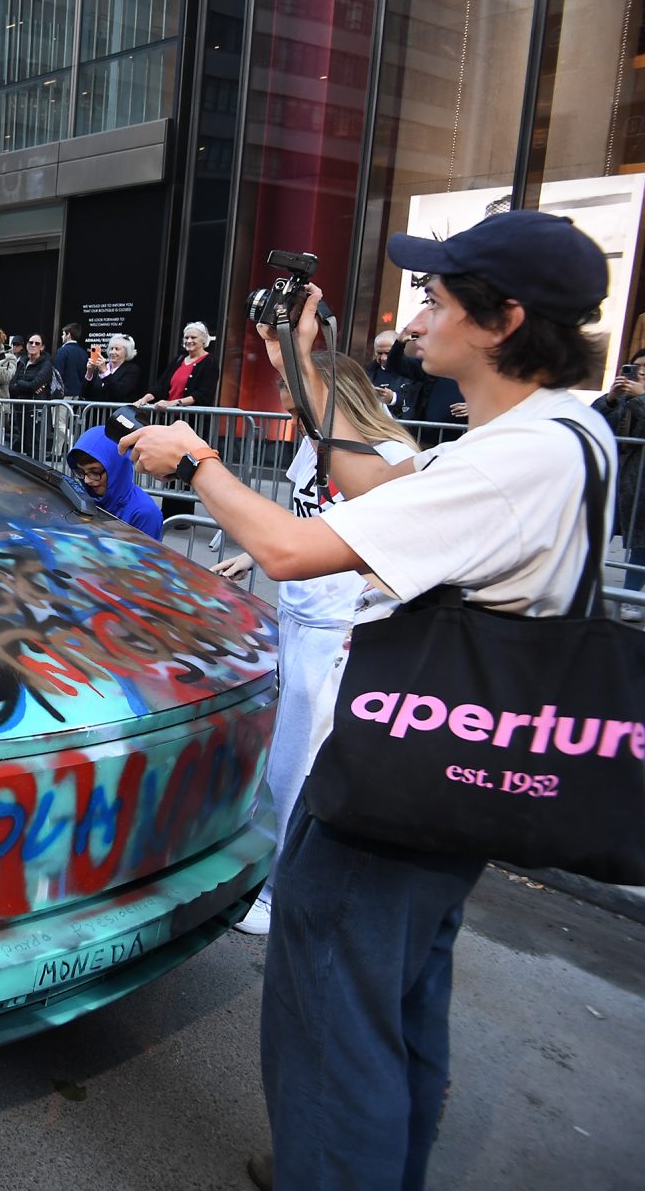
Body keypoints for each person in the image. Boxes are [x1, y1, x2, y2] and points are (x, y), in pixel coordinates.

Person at [120, 209, 616, 1191]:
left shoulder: (514, 461)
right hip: (455, 776)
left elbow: (289, 548)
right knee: (397, 997)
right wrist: (299, 363)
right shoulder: (563, 433)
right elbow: (379, 485)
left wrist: (197, 463)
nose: (415, 316)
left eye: (436, 298)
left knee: (332, 1015)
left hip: (400, 778)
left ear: (504, 320)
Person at [210, 352, 418, 937]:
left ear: (333, 393)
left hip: (339, 629)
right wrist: (252, 555)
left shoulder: (391, 458)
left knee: (298, 763)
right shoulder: (311, 445)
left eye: (292, 386)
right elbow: (306, 520)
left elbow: (399, 544)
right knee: (281, 752)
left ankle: (278, 890)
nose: (284, 398)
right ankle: (271, 876)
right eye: (282, 385)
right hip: (297, 613)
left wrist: (369, 614)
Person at [592, 350, 645, 620]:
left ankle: (631, 598)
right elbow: (593, 419)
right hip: (613, 476)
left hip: (640, 482)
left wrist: (640, 398)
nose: (641, 372)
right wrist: (611, 399)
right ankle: (582, 588)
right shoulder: (624, 396)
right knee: (595, 531)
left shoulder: (638, 398)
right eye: (636, 367)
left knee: (641, 542)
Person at [65, 425, 163, 539]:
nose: (87, 480)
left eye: (94, 472)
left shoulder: (145, 512)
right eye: (81, 472)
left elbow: (146, 551)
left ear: (116, 469)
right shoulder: (82, 498)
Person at [138, 322, 219, 409]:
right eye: (186, 337)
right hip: (167, 414)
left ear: (203, 339)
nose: (189, 341)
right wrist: (144, 399)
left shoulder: (210, 361)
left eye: (193, 337)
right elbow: (160, 386)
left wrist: (173, 403)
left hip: (190, 416)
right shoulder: (178, 359)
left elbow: (203, 394)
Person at [85, 333, 147, 403]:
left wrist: (105, 372)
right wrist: (89, 372)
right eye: (111, 349)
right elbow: (84, 393)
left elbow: (119, 393)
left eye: (117, 349)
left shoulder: (132, 369)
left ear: (126, 352)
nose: (112, 352)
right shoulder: (99, 369)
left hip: (116, 409)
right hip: (95, 409)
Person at [368, 329, 417, 417]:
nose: (383, 358)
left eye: (388, 353)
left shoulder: (412, 373)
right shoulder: (367, 373)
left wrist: (393, 398)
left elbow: (415, 401)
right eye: (379, 353)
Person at [53, 321, 90, 398]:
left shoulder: (62, 351)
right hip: (79, 394)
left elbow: (58, 374)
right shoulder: (83, 353)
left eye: (63, 334)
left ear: (68, 334)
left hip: (64, 394)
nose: (62, 337)